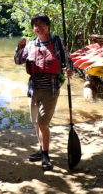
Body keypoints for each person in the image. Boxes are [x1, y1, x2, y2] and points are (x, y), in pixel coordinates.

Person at [14, 14, 72, 171]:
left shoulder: (57, 42)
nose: (38, 28)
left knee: (42, 122)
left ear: (48, 26)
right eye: (35, 25)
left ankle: (45, 155)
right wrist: (19, 48)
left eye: (41, 24)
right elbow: (19, 61)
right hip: (33, 89)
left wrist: (69, 70)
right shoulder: (31, 45)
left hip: (51, 89)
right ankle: (41, 150)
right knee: (36, 122)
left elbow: (69, 61)